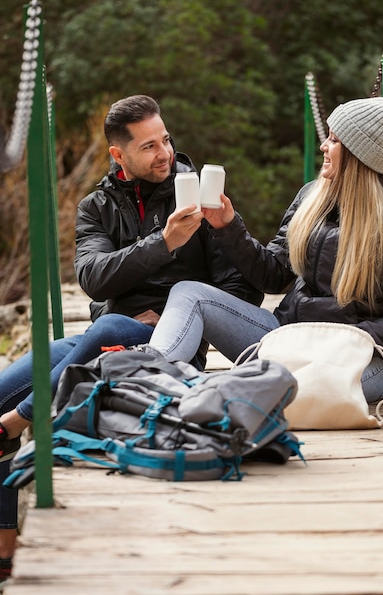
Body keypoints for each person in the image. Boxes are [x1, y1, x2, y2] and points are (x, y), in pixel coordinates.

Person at [0, 95, 262, 579]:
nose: (164, 153)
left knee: (109, 327)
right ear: (118, 155)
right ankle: (5, 549)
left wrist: (172, 312)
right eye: (148, 146)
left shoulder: (200, 196)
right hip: (105, 337)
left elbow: (239, 288)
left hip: (169, 348)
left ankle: (21, 420)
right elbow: (94, 278)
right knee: (63, 350)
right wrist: (163, 243)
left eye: (165, 140)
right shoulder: (95, 207)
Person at [148, 96, 383, 404]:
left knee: (280, 389)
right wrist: (227, 226)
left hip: (359, 360)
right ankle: (149, 378)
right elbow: (273, 276)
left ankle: (217, 392)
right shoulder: (312, 196)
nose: (323, 147)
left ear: (359, 153)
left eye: (334, 140)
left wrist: (345, 340)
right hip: (289, 336)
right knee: (189, 293)